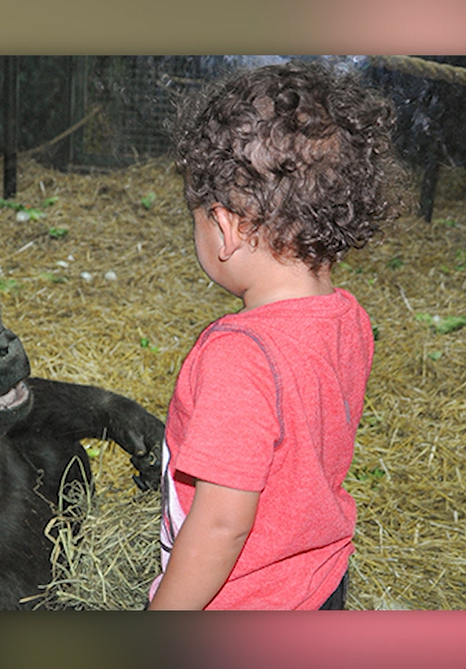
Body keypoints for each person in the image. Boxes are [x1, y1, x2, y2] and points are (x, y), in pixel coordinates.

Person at [147, 60, 406, 610]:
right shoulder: (347, 317)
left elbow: (221, 524)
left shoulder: (239, 357)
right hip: (320, 582)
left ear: (227, 228)